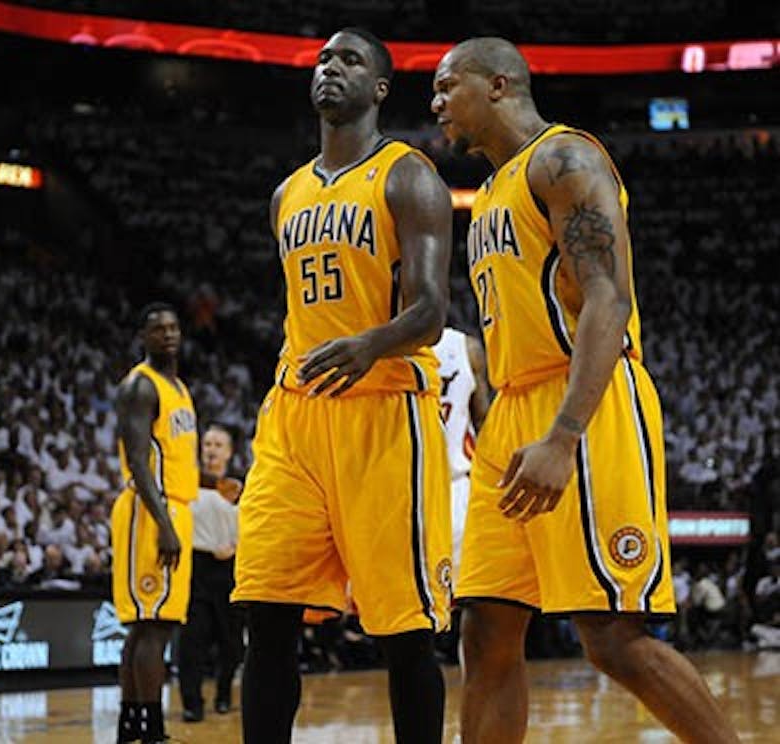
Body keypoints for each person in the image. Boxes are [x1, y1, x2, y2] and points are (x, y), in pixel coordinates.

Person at [430, 37, 739, 743]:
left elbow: (609, 300)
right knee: (486, 629)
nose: (437, 102)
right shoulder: (488, 194)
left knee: (611, 636)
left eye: (449, 86)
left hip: (580, 402)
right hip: (509, 411)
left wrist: (564, 434)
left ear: (501, 85)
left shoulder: (565, 159)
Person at [233, 28, 455, 744]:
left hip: (385, 410)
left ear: (380, 88)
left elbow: (429, 310)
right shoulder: (285, 194)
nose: (330, 69)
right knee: (265, 612)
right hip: (295, 417)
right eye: (324, 59)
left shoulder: (407, 174)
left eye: (349, 60)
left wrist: (370, 343)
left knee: (403, 630)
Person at [111, 302, 199, 744]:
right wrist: (163, 522)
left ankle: (131, 729)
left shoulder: (178, 387)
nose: (168, 334)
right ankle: (151, 729)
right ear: (143, 337)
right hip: (151, 510)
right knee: (150, 626)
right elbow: (141, 465)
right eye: (158, 329)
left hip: (175, 508)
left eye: (173, 327)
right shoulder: (138, 388)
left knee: (154, 625)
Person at [178, 423, 243, 722]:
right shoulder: (186, 482)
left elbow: (251, 528)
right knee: (192, 640)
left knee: (231, 642)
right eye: (207, 444)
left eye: (218, 445)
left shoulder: (239, 488)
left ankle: (223, 694)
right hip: (195, 565)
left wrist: (235, 547)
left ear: (229, 452)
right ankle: (192, 702)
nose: (212, 450)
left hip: (229, 568)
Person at [430, 326, 491, 572]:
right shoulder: (465, 346)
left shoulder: (465, 347)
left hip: (453, 489)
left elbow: (484, 423)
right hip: (419, 493)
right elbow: (484, 420)